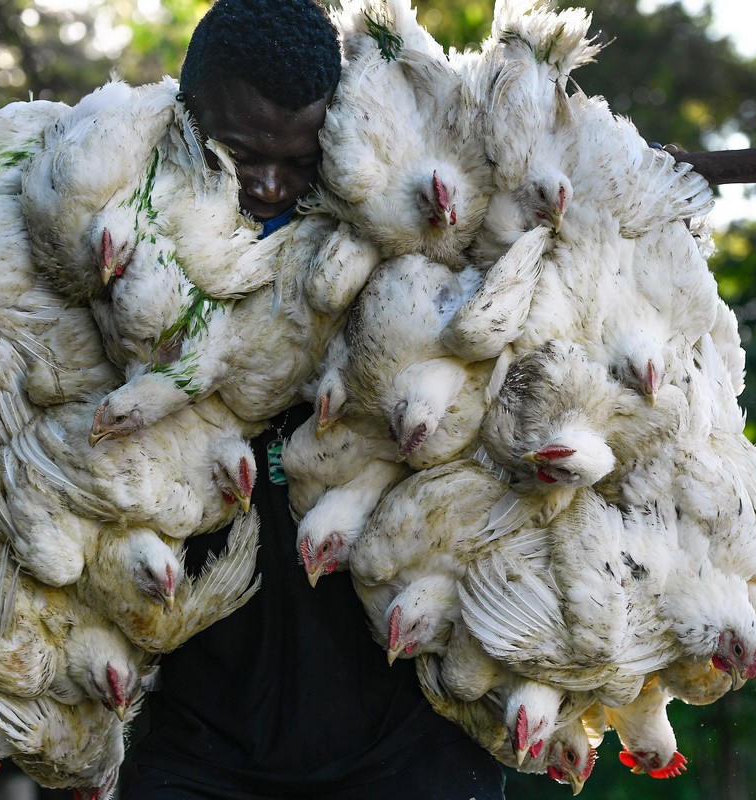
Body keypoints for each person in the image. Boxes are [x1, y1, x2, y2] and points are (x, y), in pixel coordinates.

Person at [119, 1, 507, 798]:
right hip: (202, 749)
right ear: (186, 120)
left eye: (298, 161)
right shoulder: (131, 262)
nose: (268, 183)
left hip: (408, 751)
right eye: (240, 153)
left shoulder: (422, 256)